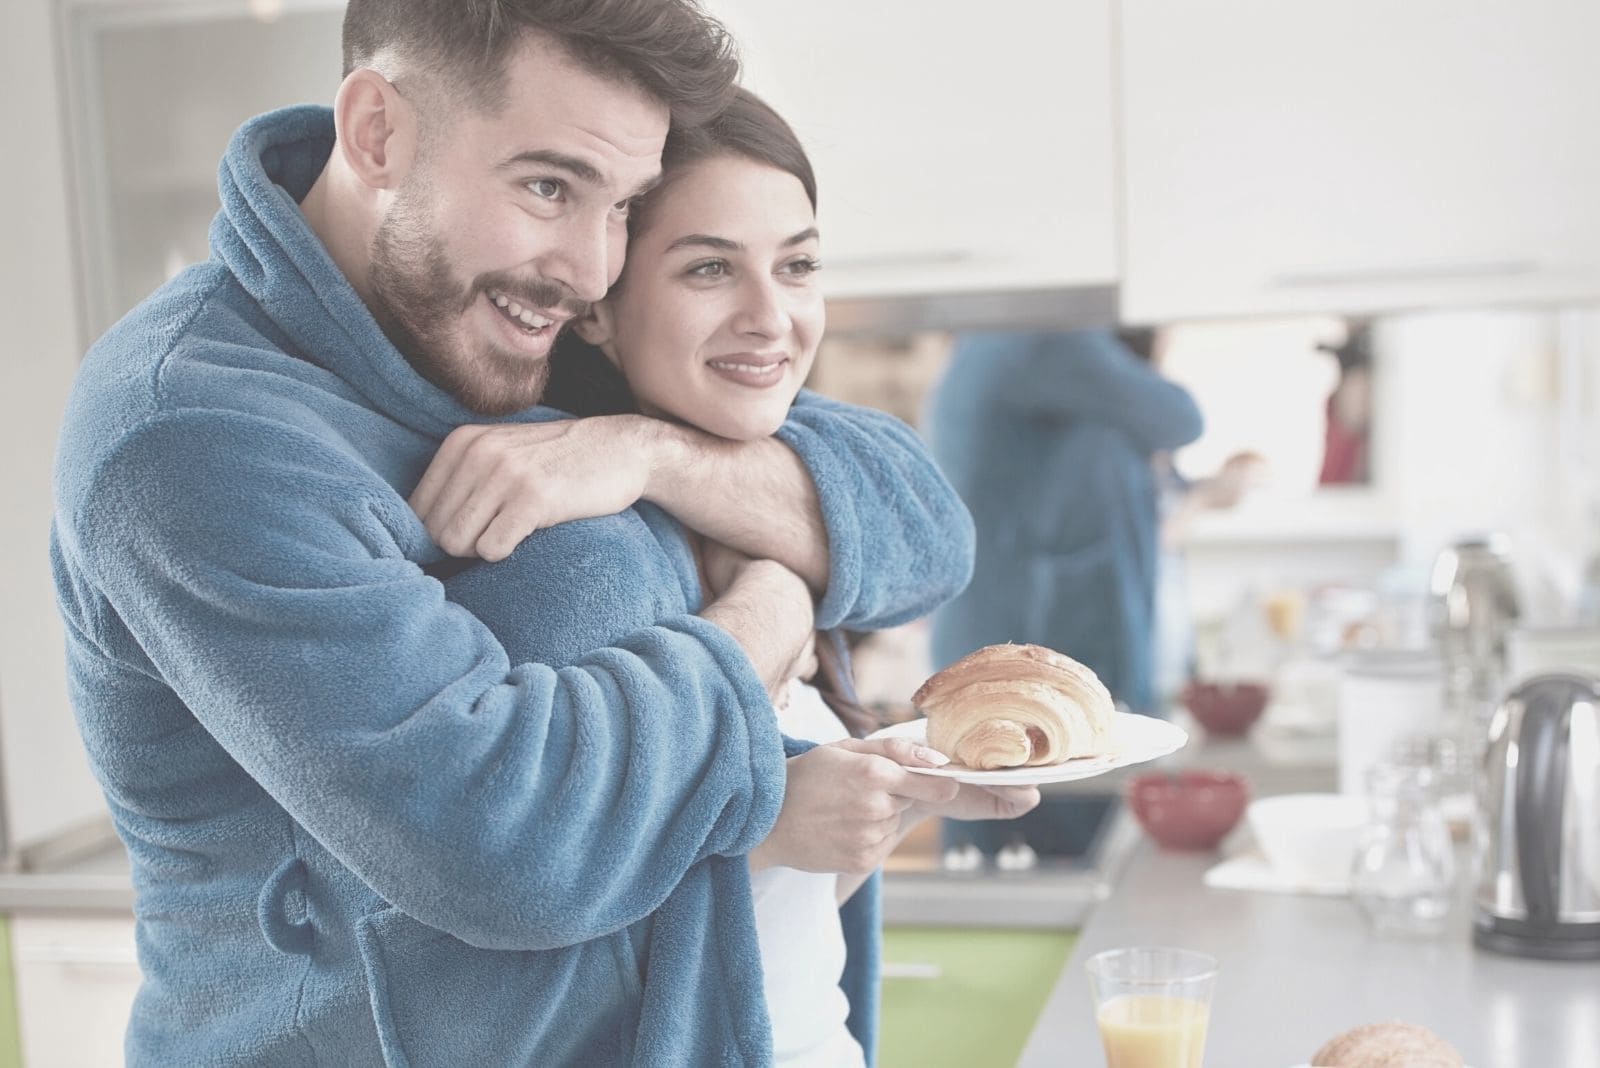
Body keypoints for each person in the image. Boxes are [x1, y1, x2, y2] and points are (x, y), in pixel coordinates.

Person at [50, 3, 998, 1064]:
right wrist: (773, 600)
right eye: (548, 187)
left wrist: (652, 454)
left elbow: (916, 525)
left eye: (626, 205)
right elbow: (508, 841)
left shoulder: (494, 329)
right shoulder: (194, 436)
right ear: (377, 135)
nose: (593, 269)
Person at [441, 88, 1038, 1066]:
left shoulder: (749, 470)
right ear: (598, 302)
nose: (772, 319)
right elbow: (518, 901)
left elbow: (934, 531)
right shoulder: (566, 545)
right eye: (710, 268)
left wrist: (872, 808)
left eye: (797, 265)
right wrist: (769, 818)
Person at [924, 327, 1203, 858]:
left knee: (1006, 855)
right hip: (1030, 656)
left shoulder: (991, 350)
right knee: (1034, 859)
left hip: (1008, 640)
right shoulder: (1043, 341)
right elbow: (1181, 417)